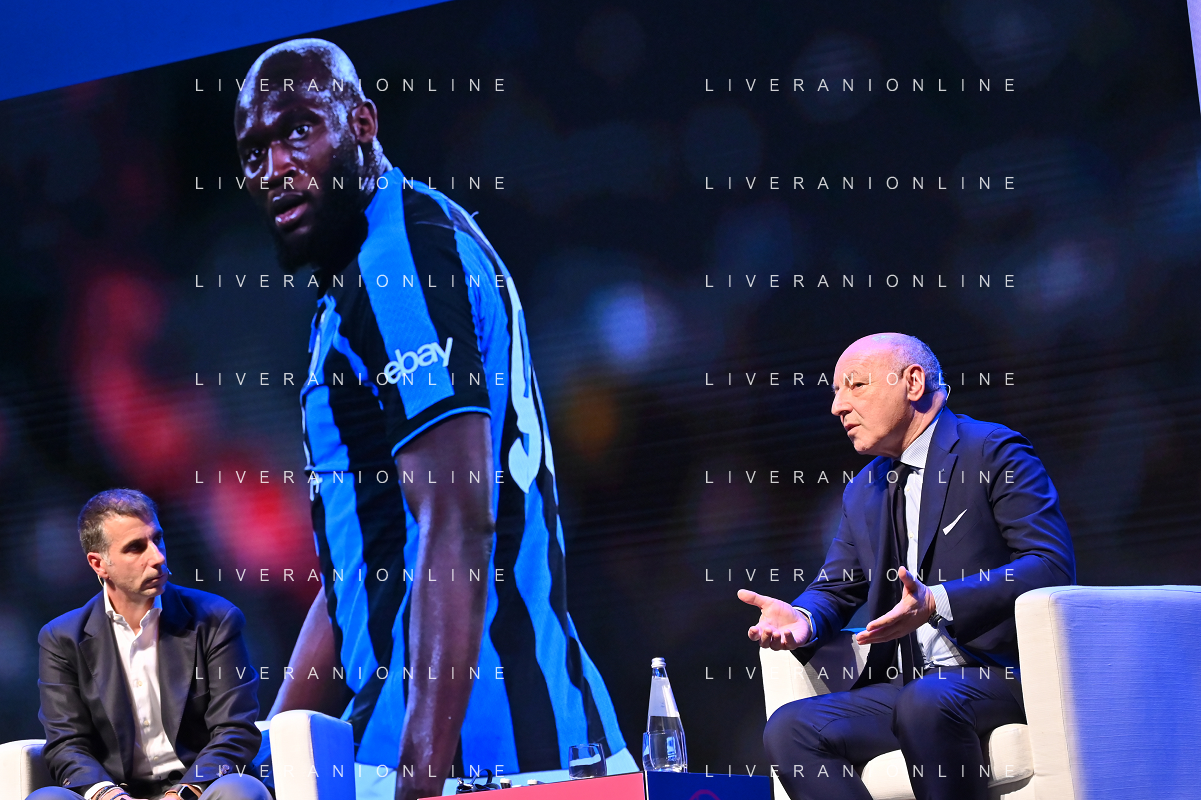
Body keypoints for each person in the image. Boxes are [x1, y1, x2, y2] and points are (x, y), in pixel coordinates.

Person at [233, 39, 631, 800]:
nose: (275, 167)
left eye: (297, 131)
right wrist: (264, 754)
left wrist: (419, 781)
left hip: (481, 756)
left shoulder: (398, 266)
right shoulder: (384, 257)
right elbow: (367, 559)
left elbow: (457, 521)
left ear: (362, 123)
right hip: (490, 738)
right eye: (254, 152)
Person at [739, 333, 1076, 800]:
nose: (838, 406)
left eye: (855, 386)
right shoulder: (864, 489)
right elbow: (836, 587)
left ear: (913, 382)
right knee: (791, 729)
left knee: (926, 702)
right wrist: (802, 618)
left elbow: (1049, 565)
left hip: (999, 673)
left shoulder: (991, 450)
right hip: (912, 685)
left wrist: (938, 602)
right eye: (836, 392)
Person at [32, 489, 268, 800]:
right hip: (114, 793)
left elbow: (235, 730)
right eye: (135, 548)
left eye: (157, 539)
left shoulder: (216, 619)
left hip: (198, 790)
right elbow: (66, 744)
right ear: (99, 564)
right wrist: (109, 795)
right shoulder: (61, 639)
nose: (157, 557)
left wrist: (183, 793)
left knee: (242, 790)